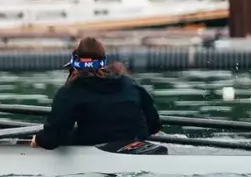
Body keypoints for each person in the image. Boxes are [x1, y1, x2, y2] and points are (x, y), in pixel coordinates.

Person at [32, 37, 161, 150]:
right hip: (135, 146)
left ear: (75, 64)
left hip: (93, 151)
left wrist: (39, 140)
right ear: (103, 62)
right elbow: (154, 125)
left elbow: (52, 139)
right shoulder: (130, 84)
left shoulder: (70, 92)